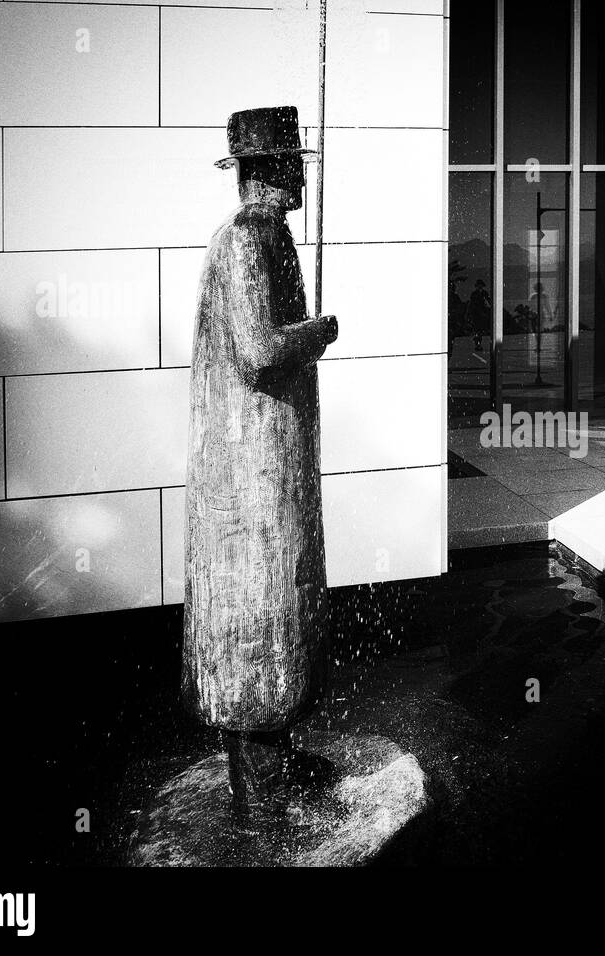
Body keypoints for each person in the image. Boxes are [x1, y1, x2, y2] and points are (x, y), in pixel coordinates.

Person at [183, 106, 339, 814]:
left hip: (269, 464)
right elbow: (257, 350)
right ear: (269, 169)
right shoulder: (248, 238)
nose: (303, 171)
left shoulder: (265, 236)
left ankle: (274, 759)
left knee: (279, 607)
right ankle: (261, 795)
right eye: (294, 159)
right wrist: (319, 331)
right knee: (261, 607)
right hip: (251, 480)